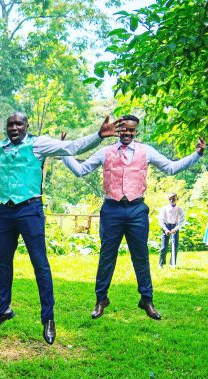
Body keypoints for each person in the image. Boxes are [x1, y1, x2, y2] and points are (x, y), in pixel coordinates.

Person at [0, 113, 122, 344]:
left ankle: (48, 318)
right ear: (6, 128)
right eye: (10, 124)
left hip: (30, 210)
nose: (14, 127)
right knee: (3, 264)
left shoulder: (38, 144)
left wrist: (98, 136)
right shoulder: (0, 148)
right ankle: (2, 310)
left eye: (18, 124)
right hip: (5, 211)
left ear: (27, 126)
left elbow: (72, 147)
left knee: (40, 264)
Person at [61, 116, 205, 321]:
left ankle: (147, 300)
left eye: (132, 130)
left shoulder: (146, 151)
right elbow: (80, 170)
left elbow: (171, 168)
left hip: (137, 209)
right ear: (118, 129)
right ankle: (101, 299)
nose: (128, 133)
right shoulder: (105, 152)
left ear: (136, 131)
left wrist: (197, 154)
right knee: (106, 256)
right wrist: (63, 151)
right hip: (111, 209)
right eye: (124, 130)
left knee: (141, 256)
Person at [158, 192, 185, 268]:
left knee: (175, 246)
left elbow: (182, 221)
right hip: (166, 227)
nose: (172, 200)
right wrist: (165, 229)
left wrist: (176, 229)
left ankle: (172, 263)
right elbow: (161, 220)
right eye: (170, 198)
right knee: (164, 246)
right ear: (168, 199)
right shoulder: (164, 209)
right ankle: (161, 264)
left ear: (177, 199)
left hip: (175, 227)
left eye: (174, 198)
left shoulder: (180, 210)